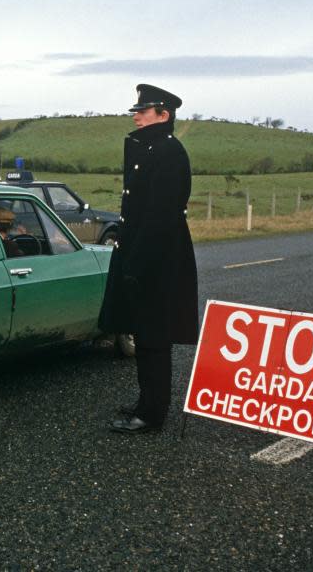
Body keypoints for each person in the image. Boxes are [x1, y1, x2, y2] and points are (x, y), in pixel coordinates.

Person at [99, 84, 199, 433]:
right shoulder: (150, 148)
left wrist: (137, 265)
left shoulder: (169, 153)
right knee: (143, 333)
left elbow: (160, 218)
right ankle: (146, 403)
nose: (136, 116)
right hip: (141, 253)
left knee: (155, 338)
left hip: (157, 259)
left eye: (144, 111)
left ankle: (152, 414)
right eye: (136, 111)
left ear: (164, 115)